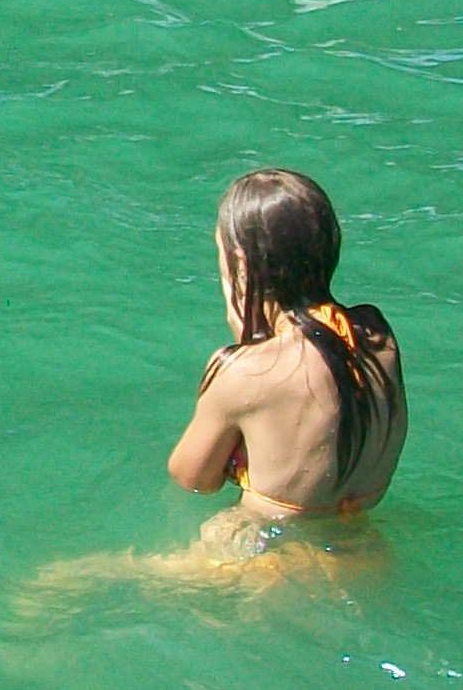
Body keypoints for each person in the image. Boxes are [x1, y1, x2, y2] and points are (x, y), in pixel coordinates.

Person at [166, 170, 409, 545]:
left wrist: (247, 349)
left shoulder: (242, 374)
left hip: (260, 548)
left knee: (77, 575)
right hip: (360, 544)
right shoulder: (378, 336)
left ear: (241, 265)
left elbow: (193, 478)